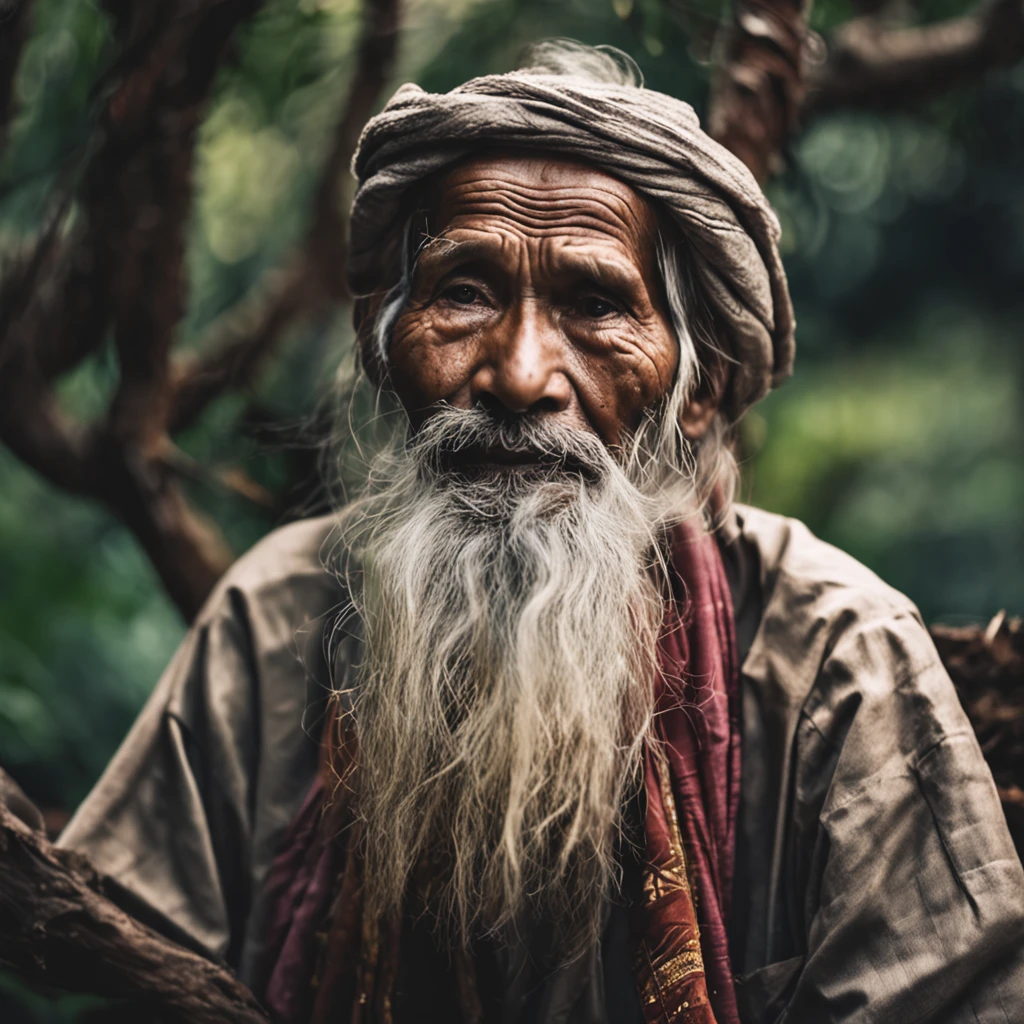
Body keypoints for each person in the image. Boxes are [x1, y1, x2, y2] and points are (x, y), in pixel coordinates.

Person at [58, 41, 1024, 1024]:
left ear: (701, 392)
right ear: (384, 349)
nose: (519, 377)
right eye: (465, 292)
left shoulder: (837, 661)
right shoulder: (274, 626)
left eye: (595, 304)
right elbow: (110, 971)